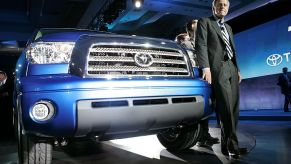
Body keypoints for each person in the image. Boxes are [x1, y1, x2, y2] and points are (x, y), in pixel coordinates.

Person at [195, 0, 247, 158]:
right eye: (220, 4)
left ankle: (227, 146)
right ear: (213, 7)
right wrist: (206, 68)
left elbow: (232, 49)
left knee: (234, 108)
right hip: (218, 68)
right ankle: (233, 147)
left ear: (228, 8)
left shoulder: (229, 27)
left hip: (231, 67)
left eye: (225, 4)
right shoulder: (205, 22)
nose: (222, 7)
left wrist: (237, 69)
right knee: (225, 107)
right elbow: (201, 44)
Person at [176, 19, 219, 147]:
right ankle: (199, 135)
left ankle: (204, 135)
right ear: (189, 30)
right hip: (193, 77)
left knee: (208, 105)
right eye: (197, 27)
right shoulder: (184, 43)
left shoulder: (203, 42)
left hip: (205, 76)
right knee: (198, 106)